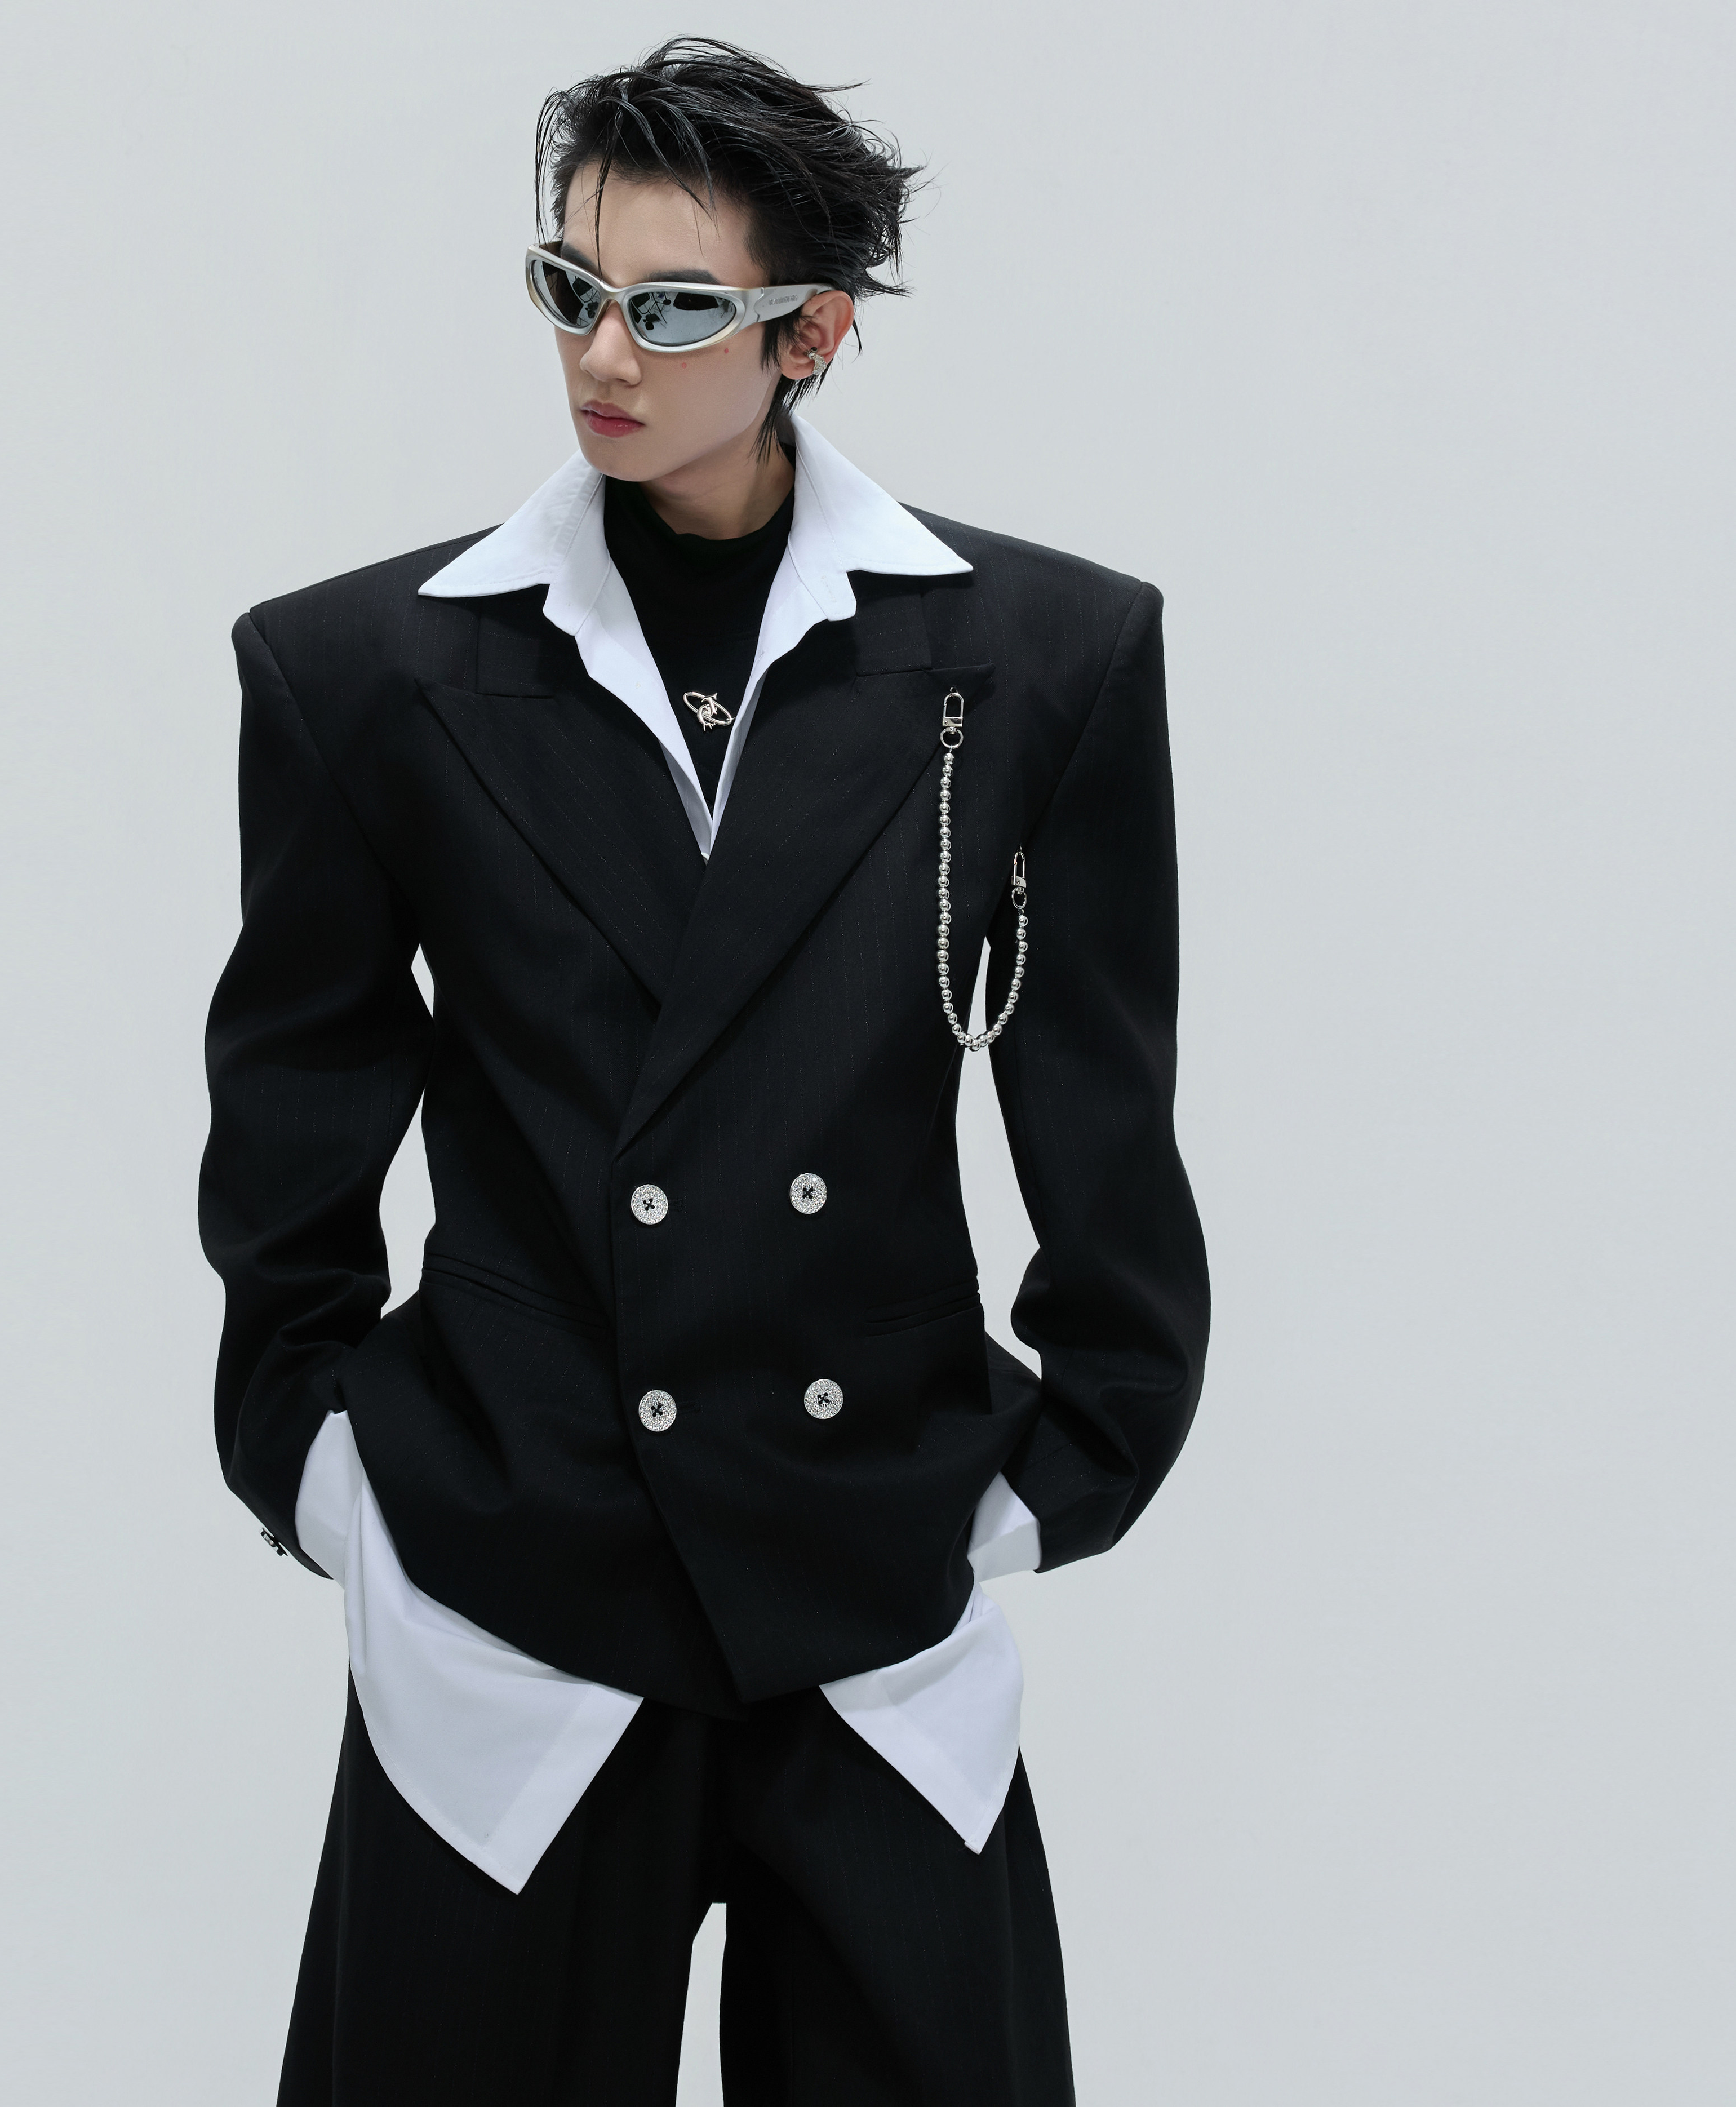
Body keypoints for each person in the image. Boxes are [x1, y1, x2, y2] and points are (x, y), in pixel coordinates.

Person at [199, 37, 1209, 2106]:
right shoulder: (362, 671)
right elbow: (291, 1125)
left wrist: (1058, 1467)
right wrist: (329, 1473)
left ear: (808, 335)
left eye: (671, 310)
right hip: (509, 1582)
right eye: (570, 289)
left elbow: (1102, 1117)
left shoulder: (1039, 657)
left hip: (869, 1573)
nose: (602, 355)